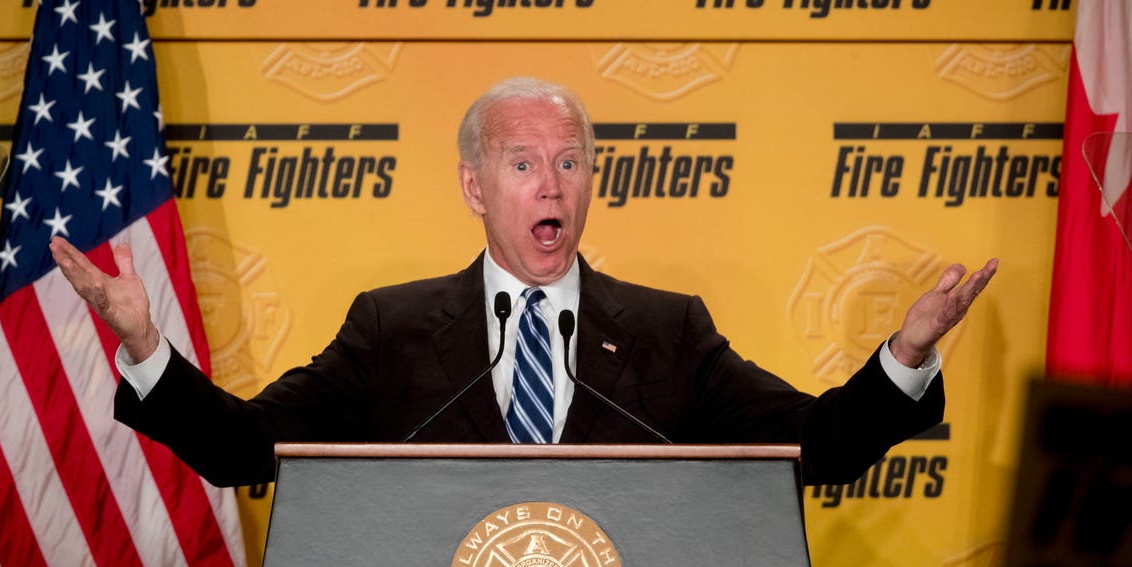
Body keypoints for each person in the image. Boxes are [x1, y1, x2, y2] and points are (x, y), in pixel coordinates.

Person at [49, 77, 998, 488]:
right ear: (474, 185)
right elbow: (246, 449)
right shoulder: (392, 329)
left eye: (571, 162)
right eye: (522, 165)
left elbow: (816, 447)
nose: (553, 185)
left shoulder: (670, 333)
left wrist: (907, 354)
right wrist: (143, 343)